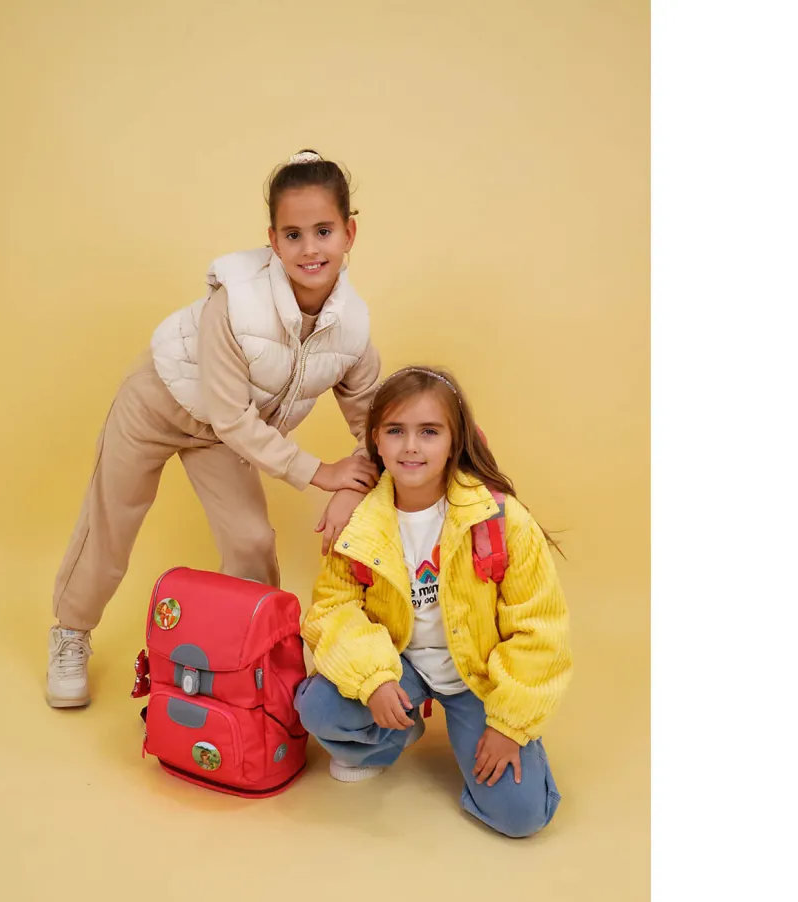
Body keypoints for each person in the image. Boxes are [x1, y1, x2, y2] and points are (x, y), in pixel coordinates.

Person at [47, 150, 381, 708]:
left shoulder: (352, 328)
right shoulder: (236, 300)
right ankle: (70, 630)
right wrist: (320, 473)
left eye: (323, 232)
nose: (309, 249)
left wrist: (363, 481)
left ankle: (259, 657)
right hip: (159, 403)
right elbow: (230, 414)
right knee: (112, 523)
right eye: (293, 235)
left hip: (226, 435)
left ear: (349, 233)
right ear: (272, 241)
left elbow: (374, 422)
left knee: (252, 541)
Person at [295, 366, 572, 837]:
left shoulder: (501, 519)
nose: (411, 446)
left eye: (429, 431)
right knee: (320, 707)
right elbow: (333, 609)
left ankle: (491, 741)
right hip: (399, 662)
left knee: (521, 816)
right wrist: (374, 679)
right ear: (375, 440)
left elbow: (539, 629)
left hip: (478, 675)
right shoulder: (358, 520)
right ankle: (392, 736)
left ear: (454, 439)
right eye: (395, 431)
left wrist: (509, 725)